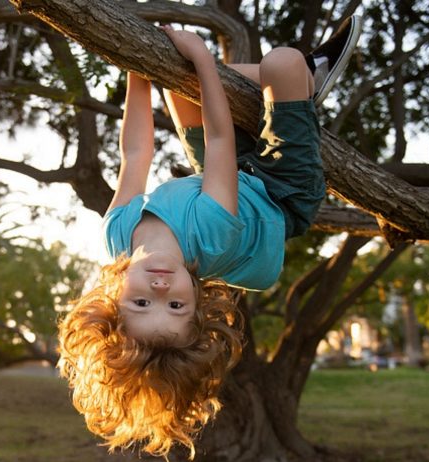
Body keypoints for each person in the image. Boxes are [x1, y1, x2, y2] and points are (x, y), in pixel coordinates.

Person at [58, 16, 362, 459]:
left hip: (221, 177)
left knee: (172, 76)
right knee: (282, 64)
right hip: (280, 191)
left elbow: (136, 152)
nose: (161, 288)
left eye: (142, 303)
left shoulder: (117, 236)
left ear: (113, 303)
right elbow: (218, 137)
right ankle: (304, 80)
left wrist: (136, 69)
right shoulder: (211, 238)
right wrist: (202, 55)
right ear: (197, 304)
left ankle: (276, 93)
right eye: (176, 305)